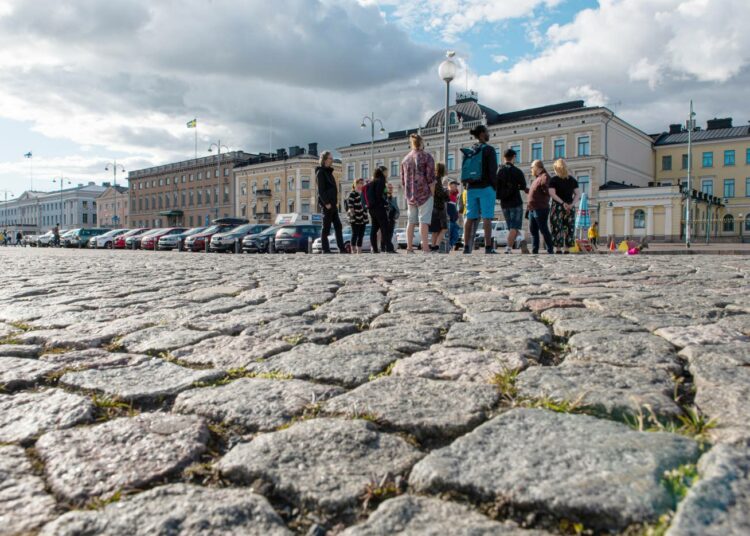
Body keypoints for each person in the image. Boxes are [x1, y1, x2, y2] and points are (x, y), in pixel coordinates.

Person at [462, 125, 498, 254]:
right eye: (487, 132)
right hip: (486, 187)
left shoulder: (470, 150)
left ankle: (466, 247)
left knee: (470, 217)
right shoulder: (489, 150)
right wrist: (494, 186)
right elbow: (493, 170)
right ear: (482, 133)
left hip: (471, 188)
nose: (489, 134)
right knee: (487, 217)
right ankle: (488, 247)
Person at [401, 133, 435, 253]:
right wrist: (433, 193)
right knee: (424, 221)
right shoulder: (427, 157)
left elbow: (403, 181)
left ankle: (409, 247)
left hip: (410, 195)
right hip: (424, 193)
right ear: (422, 143)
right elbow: (430, 178)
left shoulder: (405, 159)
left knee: (411, 221)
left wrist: (408, 193)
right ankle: (425, 247)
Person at [496, 148, 529, 254]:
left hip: (504, 203)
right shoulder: (517, 171)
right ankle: (508, 248)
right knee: (514, 226)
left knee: (511, 226)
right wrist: (516, 186)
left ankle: (521, 240)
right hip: (516, 202)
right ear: (514, 157)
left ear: (504, 158)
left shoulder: (499, 171)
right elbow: (523, 186)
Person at [316, 151, 346, 254]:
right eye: (330, 158)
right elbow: (321, 190)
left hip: (333, 205)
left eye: (332, 158)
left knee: (338, 226)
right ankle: (325, 249)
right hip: (327, 205)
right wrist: (326, 203)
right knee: (326, 228)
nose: (332, 160)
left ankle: (341, 248)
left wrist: (334, 203)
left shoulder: (329, 172)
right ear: (324, 160)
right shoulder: (320, 172)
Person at [549, 159, 579, 254]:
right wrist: (571, 204)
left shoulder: (553, 180)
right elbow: (577, 194)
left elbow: (552, 194)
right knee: (569, 227)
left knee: (557, 226)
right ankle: (567, 248)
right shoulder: (572, 180)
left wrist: (562, 203)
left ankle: (558, 248)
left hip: (557, 207)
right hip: (570, 206)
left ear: (556, 168)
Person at [527, 160, 554, 254]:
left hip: (540, 208)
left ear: (537, 167)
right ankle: (535, 250)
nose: (531, 169)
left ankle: (550, 250)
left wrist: (544, 191)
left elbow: (547, 190)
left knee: (543, 229)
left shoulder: (544, 176)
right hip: (532, 209)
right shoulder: (537, 178)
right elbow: (536, 191)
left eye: (532, 167)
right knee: (533, 231)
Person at [368, 166, 394, 253]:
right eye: (386, 171)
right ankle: (389, 248)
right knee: (385, 228)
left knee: (374, 229)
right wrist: (385, 203)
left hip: (372, 209)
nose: (387, 173)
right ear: (383, 172)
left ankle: (375, 249)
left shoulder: (373, 181)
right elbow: (379, 195)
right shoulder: (381, 181)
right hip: (379, 208)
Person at [429, 164, 449, 252]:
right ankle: (436, 245)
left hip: (433, 206)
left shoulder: (435, 178)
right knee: (444, 228)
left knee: (435, 230)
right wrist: (447, 191)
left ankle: (433, 247)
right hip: (439, 207)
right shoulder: (438, 179)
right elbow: (440, 194)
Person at [347, 178, 368, 254]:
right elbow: (350, 205)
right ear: (355, 184)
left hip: (363, 217)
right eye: (359, 183)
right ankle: (353, 249)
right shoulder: (353, 193)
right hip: (355, 217)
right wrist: (353, 214)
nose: (360, 185)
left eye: (362, 183)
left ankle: (359, 249)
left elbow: (366, 203)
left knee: (361, 235)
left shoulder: (363, 193)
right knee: (355, 233)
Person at [446, 180, 461, 251]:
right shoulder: (447, 194)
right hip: (449, 220)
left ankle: (450, 245)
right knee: (448, 235)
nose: (456, 187)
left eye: (456, 186)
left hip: (454, 220)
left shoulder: (455, 196)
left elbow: (456, 207)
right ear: (450, 186)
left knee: (456, 235)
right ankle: (446, 246)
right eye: (454, 186)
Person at [386, 182, 400, 250]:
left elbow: (397, 209)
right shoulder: (384, 197)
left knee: (391, 234)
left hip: (392, 219)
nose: (391, 189)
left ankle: (389, 248)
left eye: (391, 188)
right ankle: (387, 247)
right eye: (389, 188)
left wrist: (395, 216)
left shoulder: (393, 198)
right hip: (386, 219)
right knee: (387, 234)